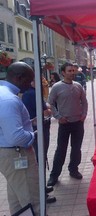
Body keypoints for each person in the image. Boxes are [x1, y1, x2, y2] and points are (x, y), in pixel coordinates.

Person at [0, 62, 40, 215]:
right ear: (18, 77)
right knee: (32, 200)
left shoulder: (3, 94)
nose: (30, 84)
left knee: (17, 200)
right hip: (17, 154)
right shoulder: (9, 100)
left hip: (9, 154)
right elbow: (16, 136)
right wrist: (32, 134)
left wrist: (29, 123)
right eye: (28, 80)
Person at [47, 62, 88, 186]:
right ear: (63, 73)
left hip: (78, 123)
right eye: (69, 71)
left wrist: (84, 114)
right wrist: (58, 116)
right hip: (64, 123)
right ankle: (54, 175)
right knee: (61, 150)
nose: (72, 73)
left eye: (73, 71)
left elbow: (84, 102)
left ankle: (73, 169)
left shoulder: (78, 86)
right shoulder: (56, 87)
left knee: (76, 149)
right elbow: (50, 103)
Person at [22, 79, 57, 204]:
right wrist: (50, 110)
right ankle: (41, 193)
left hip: (38, 128)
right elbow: (46, 111)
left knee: (40, 159)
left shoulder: (30, 93)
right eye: (40, 79)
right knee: (39, 160)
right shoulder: (32, 94)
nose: (43, 82)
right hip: (38, 130)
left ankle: (42, 188)